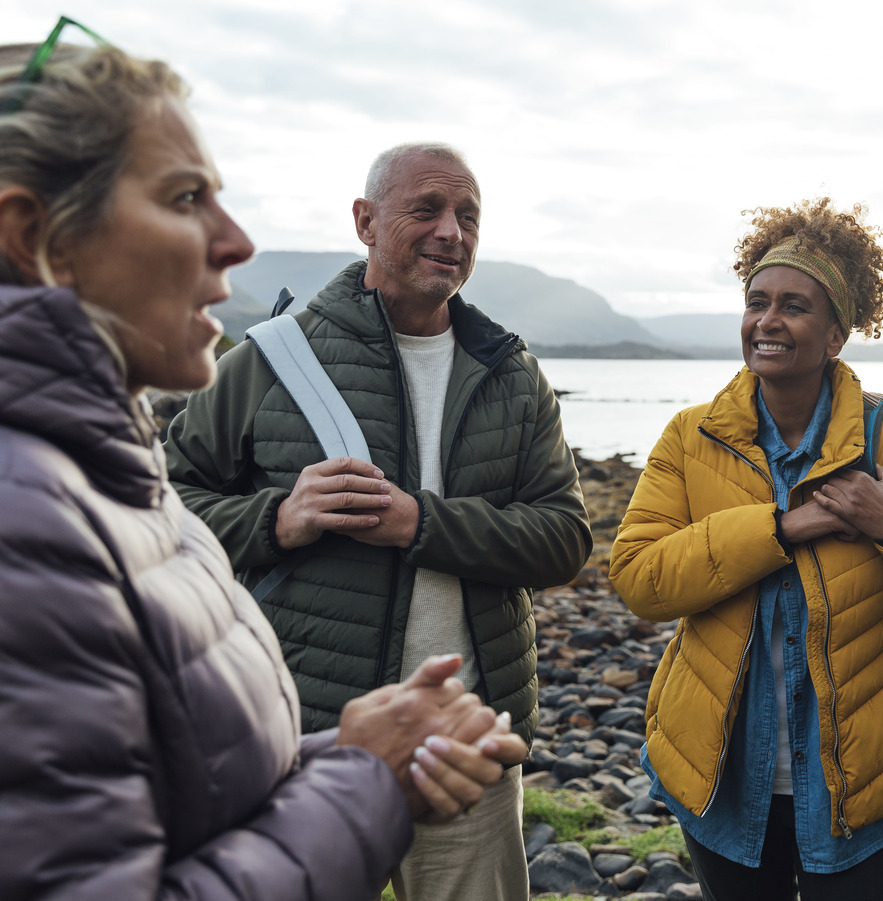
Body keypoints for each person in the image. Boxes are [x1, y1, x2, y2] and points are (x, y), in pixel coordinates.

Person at [0, 33, 526, 900]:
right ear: (31, 236)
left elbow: (175, 783)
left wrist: (356, 750)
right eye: (184, 196)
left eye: (467, 214)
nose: (238, 242)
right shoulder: (30, 520)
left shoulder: (99, 471)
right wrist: (363, 775)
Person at [163, 139, 592, 900]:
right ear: (365, 220)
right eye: (426, 209)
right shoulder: (269, 359)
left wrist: (419, 523)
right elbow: (160, 503)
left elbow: (564, 540)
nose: (450, 232)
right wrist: (277, 519)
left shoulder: (513, 374)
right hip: (302, 730)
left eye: (467, 215)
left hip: (466, 734)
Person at [609, 198, 883, 899]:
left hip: (859, 788)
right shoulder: (690, 437)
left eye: (795, 305)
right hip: (723, 779)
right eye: (757, 301)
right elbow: (639, 578)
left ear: (837, 334)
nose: (768, 320)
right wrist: (782, 528)